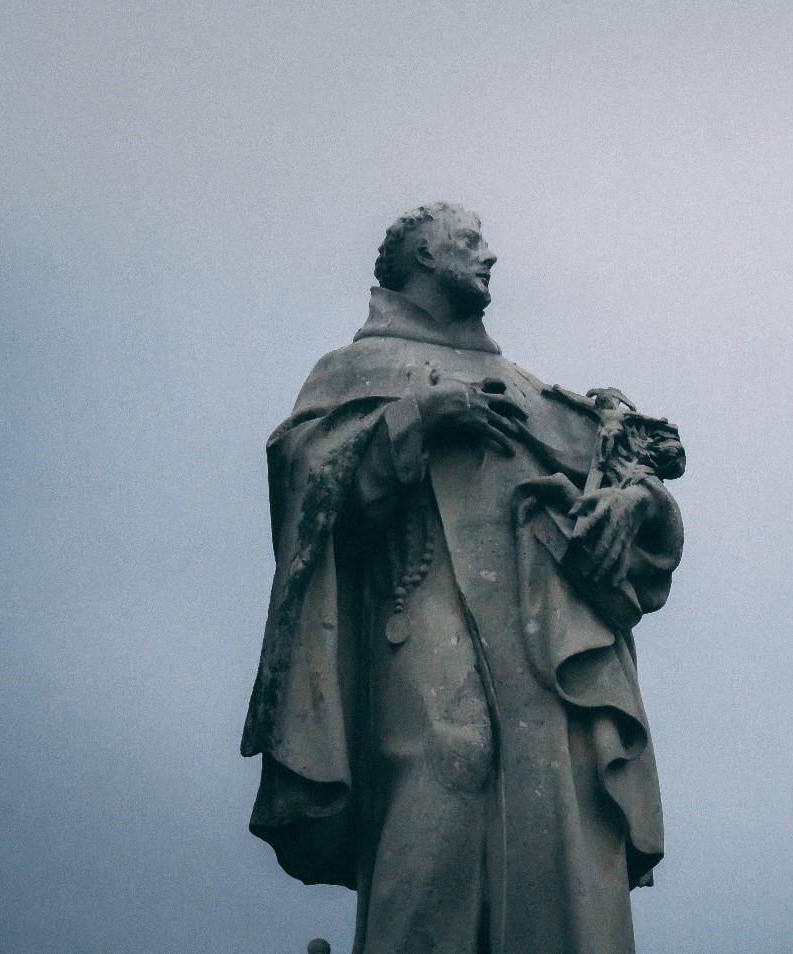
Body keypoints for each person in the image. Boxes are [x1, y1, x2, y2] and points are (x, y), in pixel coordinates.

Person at [241, 202, 685, 953]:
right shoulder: (357, 371)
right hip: (417, 625)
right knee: (440, 787)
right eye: (468, 242)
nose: (490, 256)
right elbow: (306, 487)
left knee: (560, 828)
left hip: (550, 659)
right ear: (419, 257)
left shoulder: (528, 389)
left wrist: (637, 500)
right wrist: (417, 420)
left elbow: (630, 490)